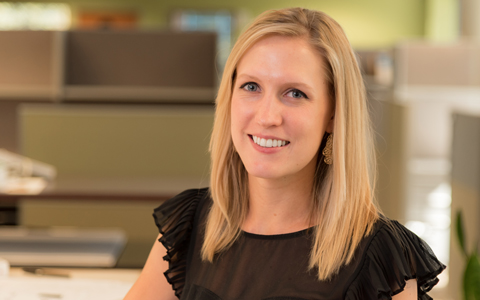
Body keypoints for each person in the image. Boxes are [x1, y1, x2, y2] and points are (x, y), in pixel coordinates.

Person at [125, 7, 445, 300]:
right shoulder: (191, 225)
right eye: (251, 87)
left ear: (334, 114)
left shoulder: (380, 256)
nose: (267, 116)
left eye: (295, 93)